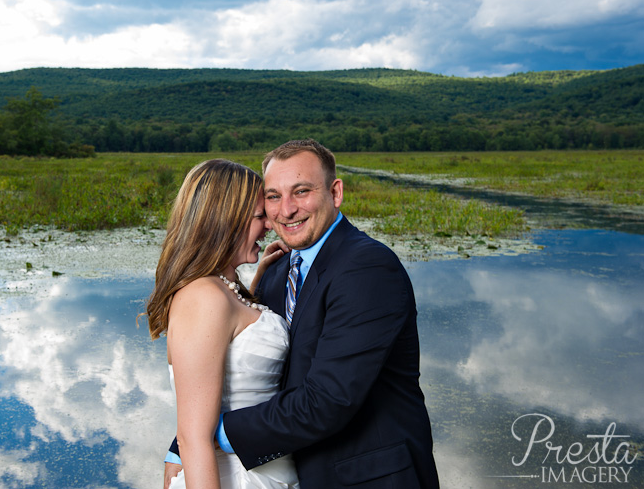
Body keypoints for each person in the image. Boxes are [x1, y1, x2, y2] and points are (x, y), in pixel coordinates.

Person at [165, 139, 439, 488]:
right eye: (273, 197)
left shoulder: (368, 266)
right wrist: (189, 440)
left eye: (302, 191)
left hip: (365, 477)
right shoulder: (278, 271)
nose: (285, 210)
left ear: (335, 192)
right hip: (283, 472)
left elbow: (328, 399)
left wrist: (203, 435)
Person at [147, 159, 299, 488]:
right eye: (260, 216)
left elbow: (239, 343)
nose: (269, 225)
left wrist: (256, 287)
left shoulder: (222, 291)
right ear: (227, 220)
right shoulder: (204, 297)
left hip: (267, 468)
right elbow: (193, 439)